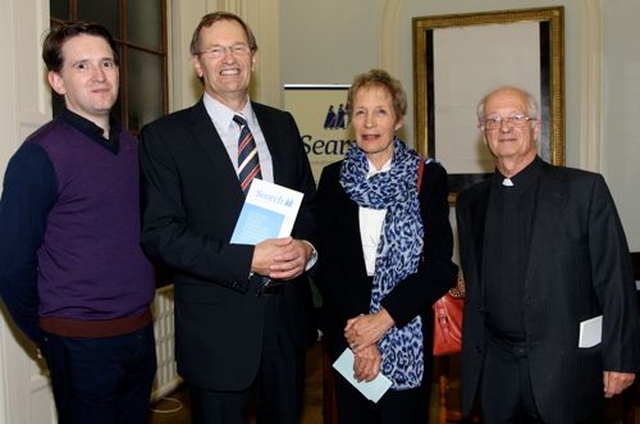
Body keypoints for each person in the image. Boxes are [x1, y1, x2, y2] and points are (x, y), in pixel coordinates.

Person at [138, 12, 317, 424]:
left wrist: (306, 248)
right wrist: (246, 259)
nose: (229, 58)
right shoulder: (165, 137)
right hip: (215, 331)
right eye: (215, 49)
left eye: (238, 47)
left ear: (253, 58)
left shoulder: (283, 125)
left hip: (285, 323)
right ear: (198, 64)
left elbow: (309, 205)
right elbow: (160, 236)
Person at [0, 22, 157, 423]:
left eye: (107, 63)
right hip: (79, 343)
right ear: (57, 81)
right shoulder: (39, 156)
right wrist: (46, 333)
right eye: (82, 66)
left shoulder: (133, 149)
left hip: (139, 333)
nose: (100, 75)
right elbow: (12, 262)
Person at [457, 85, 638, 423]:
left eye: (515, 118)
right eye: (493, 121)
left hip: (564, 368)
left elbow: (615, 279)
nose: (505, 128)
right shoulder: (472, 204)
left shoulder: (584, 190)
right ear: (484, 135)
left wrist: (620, 358)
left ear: (536, 128)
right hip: (496, 372)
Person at [316, 69, 458, 423]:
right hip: (348, 327)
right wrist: (360, 334)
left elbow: (441, 267)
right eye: (360, 111)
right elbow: (326, 261)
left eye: (380, 111)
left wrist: (383, 320)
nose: (369, 122)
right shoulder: (333, 178)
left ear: (399, 120)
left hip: (405, 320)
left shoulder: (428, 177)